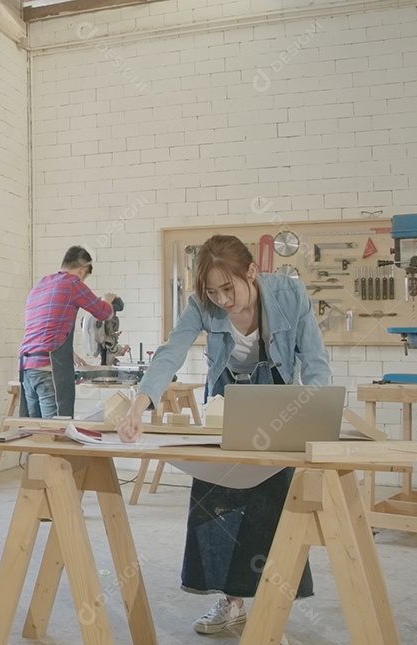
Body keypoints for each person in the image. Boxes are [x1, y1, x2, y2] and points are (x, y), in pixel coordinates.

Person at [116, 235, 330, 638]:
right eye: (213, 292)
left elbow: (315, 361)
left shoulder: (289, 293)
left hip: (278, 398)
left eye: (228, 288)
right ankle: (231, 605)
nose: (222, 299)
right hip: (225, 400)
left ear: (251, 272)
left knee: (272, 503)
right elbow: (171, 352)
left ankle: (270, 611)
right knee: (216, 497)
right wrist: (138, 404)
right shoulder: (202, 304)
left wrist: (318, 418)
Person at [18, 246, 117, 418]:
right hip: (49, 370)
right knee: (56, 431)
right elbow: (104, 313)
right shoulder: (72, 283)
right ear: (83, 271)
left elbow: (46, 329)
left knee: (35, 433)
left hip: (27, 367)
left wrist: (69, 353)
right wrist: (108, 300)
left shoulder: (41, 284)